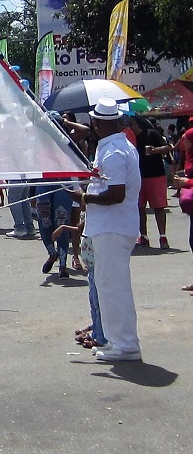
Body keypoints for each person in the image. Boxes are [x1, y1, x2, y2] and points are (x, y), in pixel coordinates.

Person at [83, 99, 143, 362]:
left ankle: (126, 344)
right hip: (111, 226)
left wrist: (85, 198)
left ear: (97, 124)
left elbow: (116, 194)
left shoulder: (114, 151)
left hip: (113, 227)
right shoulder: (113, 147)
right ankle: (116, 340)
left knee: (114, 287)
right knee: (107, 285)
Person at [127, 115, 171, 248]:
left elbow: (168, 147)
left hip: (155, 175)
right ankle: (143, 236)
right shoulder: (129, 139)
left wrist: (155, 150)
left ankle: (163, 236)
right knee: (139, 208)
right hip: (138, 177)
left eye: (129, 124)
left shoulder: (151, 133)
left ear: (134, 123)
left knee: (158, 207)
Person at [35, 182, 75, 278]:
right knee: (44, 221)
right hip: (43, 182)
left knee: (61, 221)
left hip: (64, 182)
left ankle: (63, 265)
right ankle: (52, 254)